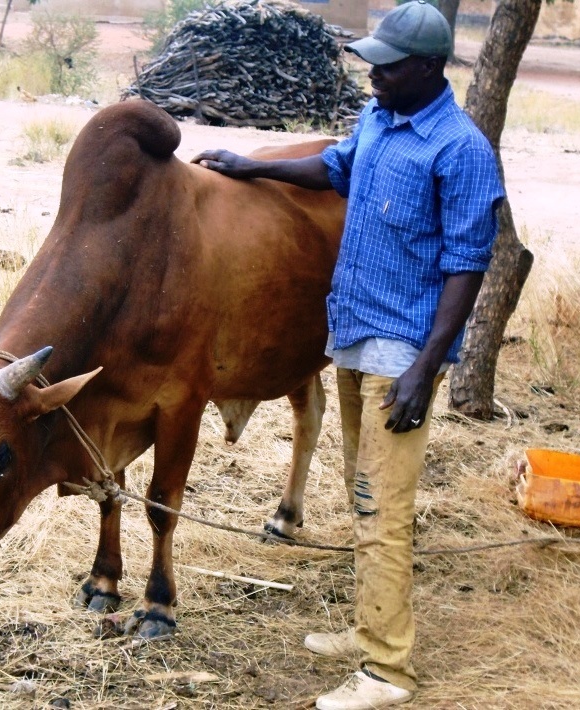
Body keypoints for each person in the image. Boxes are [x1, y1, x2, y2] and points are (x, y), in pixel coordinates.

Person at [192, 2, 504, 707]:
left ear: (427, 67)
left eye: (385, 67)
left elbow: (467, 263)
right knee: (358, 494)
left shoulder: (459, 149)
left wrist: (426, 368)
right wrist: (249, 167)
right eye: (370, 62)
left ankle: (386, 670)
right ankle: (370, 629)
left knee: (382, 509)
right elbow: (336, 169)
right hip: (354, 333)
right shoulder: (379, 121)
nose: (372, 76)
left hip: (402, 356)